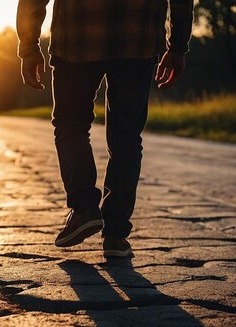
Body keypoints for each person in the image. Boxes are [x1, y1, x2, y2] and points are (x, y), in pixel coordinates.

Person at [17, 0, 193, 258]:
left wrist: (29, 46)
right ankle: (116, 235)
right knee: (127, 137)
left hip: (77, 35)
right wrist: (177, 46)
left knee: (71, 126)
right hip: (137, 37)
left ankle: (84, 208)